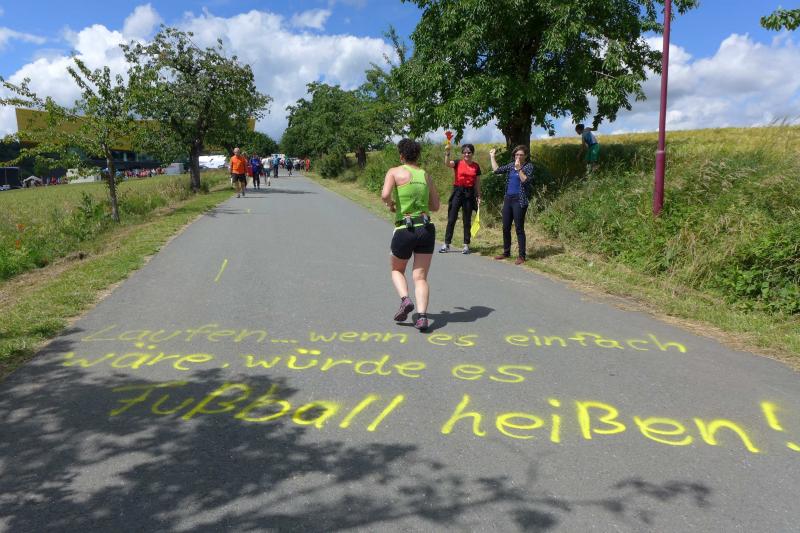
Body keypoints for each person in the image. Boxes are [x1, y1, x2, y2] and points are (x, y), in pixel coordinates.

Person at [381, 138, 440, 331]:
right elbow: (435, 206)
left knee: (397, 270)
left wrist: (391, 204)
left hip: (405, 228)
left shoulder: (394, 172)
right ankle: (422, 317)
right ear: (417, 156)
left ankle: (405, 299)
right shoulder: (425, 175)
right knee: (420, 277)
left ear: (401, 156)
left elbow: (385, 195)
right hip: (426, 228)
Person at [489, 145, 534, 265]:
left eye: (521, 155)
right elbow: (496, 170)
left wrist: (519, 169)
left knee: (519, 228)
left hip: (520, 200)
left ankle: (522, 256)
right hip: (508, 199)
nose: (518, 157)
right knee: (505, 227)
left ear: (525, 156)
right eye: (516, 155)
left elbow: (525, 181)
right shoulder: (510, 165)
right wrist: (492, 156)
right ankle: (506, 252)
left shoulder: (528, 166)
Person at [440, 142, 481, 254]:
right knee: (452, 218)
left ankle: (466, 245)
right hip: (458, 192)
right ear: (462, 153)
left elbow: (477, 183)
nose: (467, 154)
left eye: (469, 152)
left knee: (467, 220)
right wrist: (447, 153)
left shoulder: (476, 166)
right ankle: (446, 244)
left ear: (472, 153)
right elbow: (447, 163)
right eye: (465, 152)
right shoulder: (458, 162)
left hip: (469, 193)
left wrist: (478, 195)